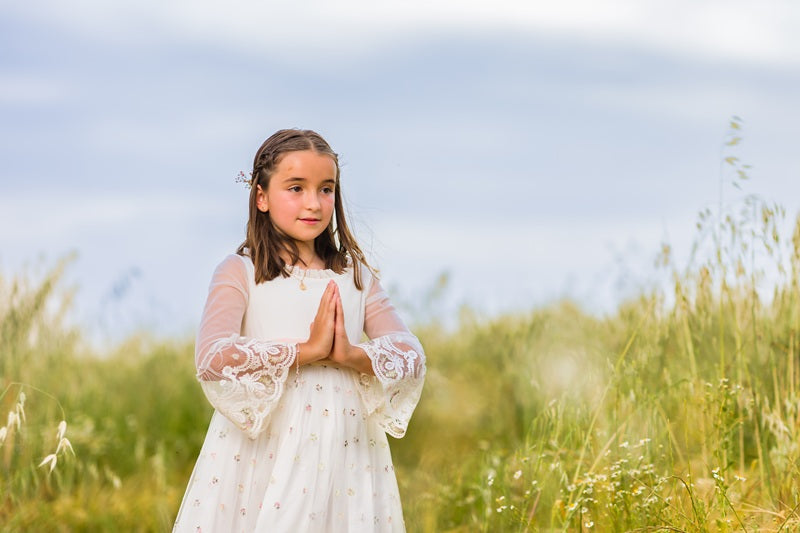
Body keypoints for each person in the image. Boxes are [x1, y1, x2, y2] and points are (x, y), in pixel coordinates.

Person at [173, 129, 426, 532]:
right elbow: (212, 357)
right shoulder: (241, 271)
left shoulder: (355, 276)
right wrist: (305, 351)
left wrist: (351, 356)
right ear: (261, 197)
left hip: (347, 449)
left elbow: (410, 353)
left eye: (326, 189)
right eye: (296, 188)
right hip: (265, 452)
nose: (314, 203)